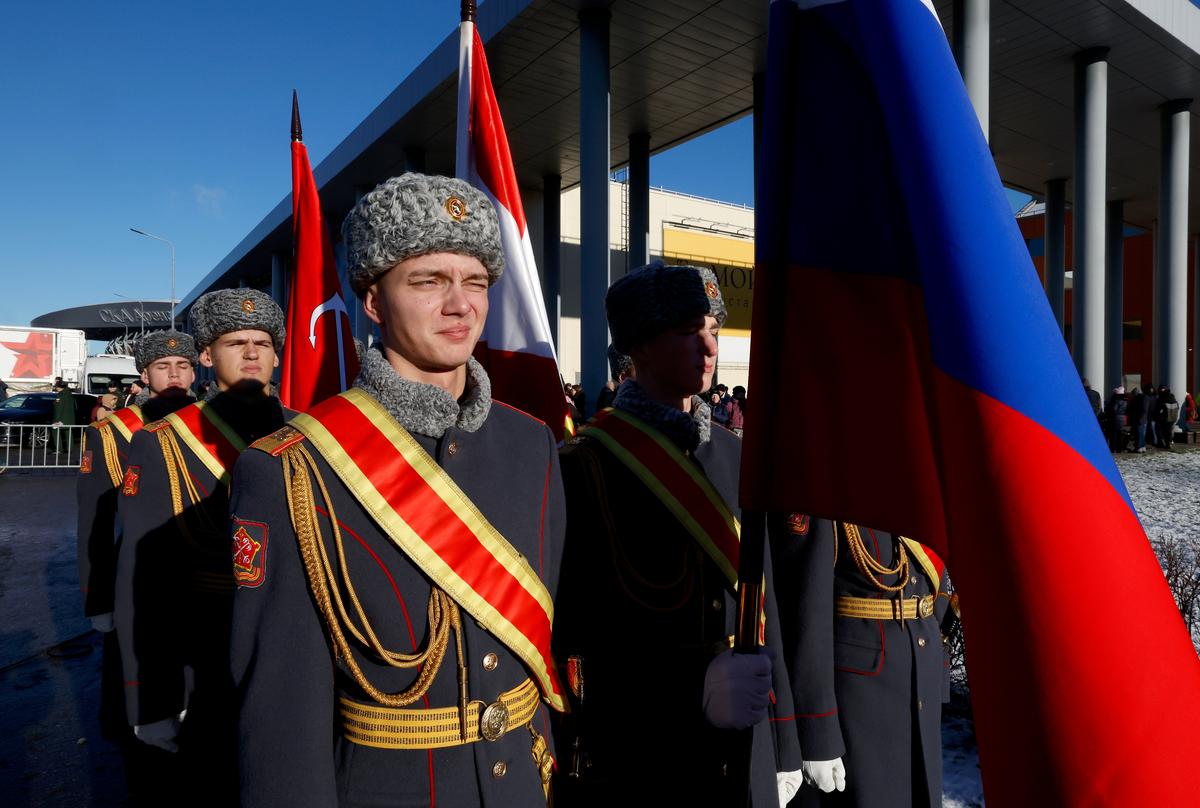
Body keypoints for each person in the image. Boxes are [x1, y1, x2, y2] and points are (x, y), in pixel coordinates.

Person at [229, 173, 565, 807]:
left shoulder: (533, 444)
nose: (460, 304)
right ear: (374, 302)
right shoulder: (291, 468)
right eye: (428, 281)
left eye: (475, 281)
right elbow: (281, 715)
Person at [553, 263, 802, 807]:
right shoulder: (585, 466)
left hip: (748, 742)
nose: (709, 347)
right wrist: (692, 689)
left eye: (713, 329)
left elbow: (764, 607)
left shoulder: (737, 454)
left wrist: (783, 737)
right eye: (689, 331)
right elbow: (574, 634)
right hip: (648, 754)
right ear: (639, 347)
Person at [115, 288, 290, 804]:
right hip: (205, 650)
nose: (253, 352)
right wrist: (152, 697)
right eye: (236, 342)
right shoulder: (163, 442)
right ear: (207, 357)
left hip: (295, 643)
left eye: (263, 342)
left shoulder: (309, 430)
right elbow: (142, 576)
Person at [76, 330, 198, 805]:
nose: (175, 375)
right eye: (164, 367)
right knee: (139, 702)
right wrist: (99, 601)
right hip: (139, 577)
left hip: (200, 575)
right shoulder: (113, 433)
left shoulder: (209, 422)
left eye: (184, 366)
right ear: (144, 375)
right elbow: (96, 521)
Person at [772, 518, 953, 808]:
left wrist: (938, 675)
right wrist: (817, 730)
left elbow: (935, 584)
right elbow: (804, 606)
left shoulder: (914, 494)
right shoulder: (829, 495)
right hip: (858, 699)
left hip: (919, 678)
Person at [52, 379, 76, 453]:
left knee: (55, 431)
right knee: (68, 433)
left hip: (61, 419)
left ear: (59, 387)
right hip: (70, 419)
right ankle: (70, 449)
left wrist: (56, 420)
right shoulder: (70, 394)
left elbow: (59, 408)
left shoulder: (61, 395)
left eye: (56, 386)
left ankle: (59, 449)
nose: (56, 388)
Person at [1153, 385, 1179, 449]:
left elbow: (1158, 407)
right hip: (1171, 417)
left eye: (1161, 389)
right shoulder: (1172, 397)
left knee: (1163, 431)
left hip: (1164, 418)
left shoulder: (1162, 398)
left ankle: (1165, 444)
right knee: (1168, 431)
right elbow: (1177, 407)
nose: (1160, 391)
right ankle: (1168, 443)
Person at [1105, 386, 1128, 453]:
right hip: (1122, 418)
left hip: (1115, 419)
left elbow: (1113, 409)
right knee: (1120, 434)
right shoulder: (1125, 401)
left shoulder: (1116, 401)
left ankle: (1113, 448)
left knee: (1113, 434)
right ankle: (1119, 449)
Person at [1127, 386, 1148, 453]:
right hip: (1142, 418)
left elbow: (1142, 409)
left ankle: (1139, 447)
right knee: (1141, 434)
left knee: (1139, 434)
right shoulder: (1144, 398)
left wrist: (1140, 418)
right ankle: (1142, 446)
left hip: (1139, 419)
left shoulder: (1138, 399)